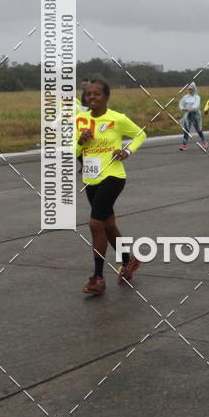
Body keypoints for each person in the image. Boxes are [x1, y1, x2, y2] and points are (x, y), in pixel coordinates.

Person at [75, 78, 146, 296]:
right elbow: (73, 151)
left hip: (113, 176)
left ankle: (98, 277)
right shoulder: (80, 119)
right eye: (88, 94)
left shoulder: (117, 119)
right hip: (91, 178)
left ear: (106, 97)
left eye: (97, 93)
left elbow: (140, 134)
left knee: (95, 224)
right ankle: (128, 260)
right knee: (107, 224)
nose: (92, 97)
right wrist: (81, 141)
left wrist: (127, 151)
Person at [178, 83, 207, 151]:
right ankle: (184, 145)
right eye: (189, 89)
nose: (190, 90)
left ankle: (204, 142)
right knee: (186, 129)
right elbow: (181, 103)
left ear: (194, 89)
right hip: (187, 115)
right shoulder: (185, 97)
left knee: (198, 129)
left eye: (191, 89)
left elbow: (197, 104)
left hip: (195, 115)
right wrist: (182, 108)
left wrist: (192, 108)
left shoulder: (197, 97)